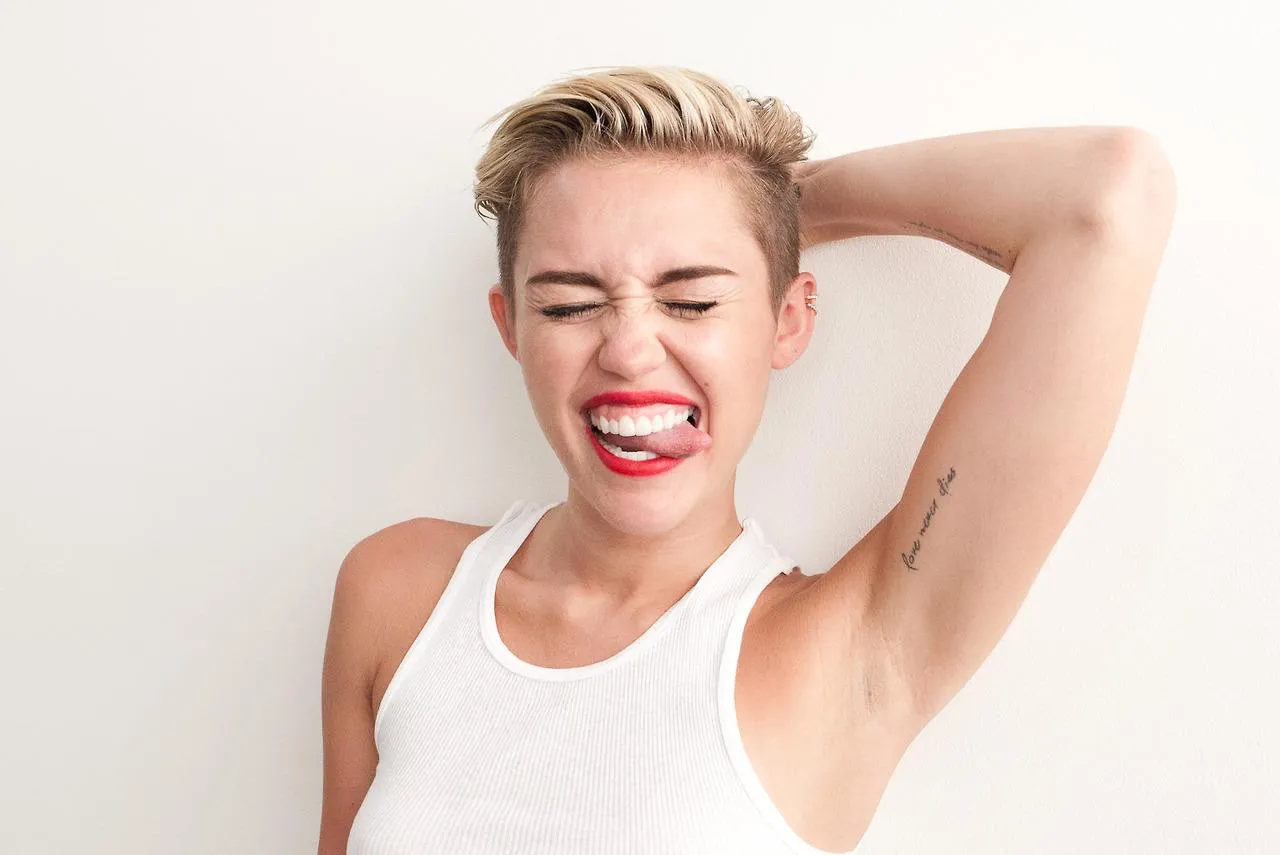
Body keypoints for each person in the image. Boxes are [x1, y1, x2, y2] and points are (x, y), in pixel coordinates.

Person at [318, 66, 1176, 854]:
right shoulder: (398, 591)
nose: (629, 350)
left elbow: (1108, 194)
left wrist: (787, 207)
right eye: (570, 305)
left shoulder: (853, 653)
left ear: (787, 320)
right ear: (511, 326)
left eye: (693, 299)